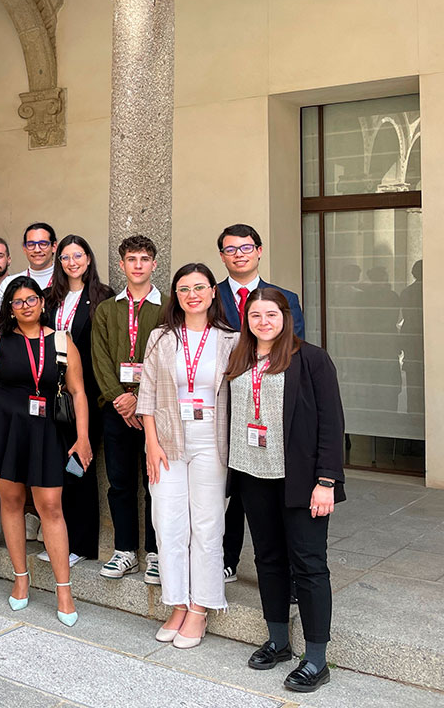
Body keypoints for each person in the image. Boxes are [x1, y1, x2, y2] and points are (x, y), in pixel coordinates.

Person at [224, 288, 345, 693]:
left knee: (309, 565)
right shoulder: (239, 358)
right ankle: (277, 640)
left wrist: (326, 481)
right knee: (268, 559)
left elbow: (331, 424)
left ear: (286, 316)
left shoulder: (310, 359)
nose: (263, 322)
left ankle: (315, 658)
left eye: (271, 314)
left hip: (301, 481)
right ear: (247, 319)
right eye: (255, 315)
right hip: (252, 475)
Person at [0, 276, 92, 626]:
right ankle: (21, 579)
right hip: (4, 430)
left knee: (51, 506)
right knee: (10, 502)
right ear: (10, 307)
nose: (25, 306)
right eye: (17, 301)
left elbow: (78, 392)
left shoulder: (61, 340)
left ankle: (63, 589)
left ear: (42, 302)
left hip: (47, 432)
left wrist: (82, 438)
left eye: (31, 299)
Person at [137, 263, 239, 649]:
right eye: (183, 288)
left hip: (211, 438)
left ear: (213, 292)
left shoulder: (231, 338)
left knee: (208, 523)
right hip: (167, 436)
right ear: (175, 296)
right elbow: (147, 391)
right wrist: (150, 441)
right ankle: (177, 601)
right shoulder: (162, 337)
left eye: (199, 287)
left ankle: (201, 605)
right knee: (167, 521)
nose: (192, 294)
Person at [215, 223, 305, 582]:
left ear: (259, 250)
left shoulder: (284, 298)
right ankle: (227, 557)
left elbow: (293, 349)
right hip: (227, 402)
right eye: (231, 249)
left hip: (271, 404)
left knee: (275, 487)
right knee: (235, 484)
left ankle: (289, 567)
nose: (239, 254)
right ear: (222, 255)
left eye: (246, 247)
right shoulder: (210, 295)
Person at [91, 235, 163, 584]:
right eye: (131, 259)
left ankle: (155, 553)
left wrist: (140, 398)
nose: (138, 265)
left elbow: (166, 360)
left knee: (155, 481)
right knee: (119, 482)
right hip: (115, 409)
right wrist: (120, 398)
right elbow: (100, 358)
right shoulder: (107, 309)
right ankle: (124, 551)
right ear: (121, 265)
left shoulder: (167, 309)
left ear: (153, 264)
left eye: (144, 259)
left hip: (154, 411)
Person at [42, 235, 113, 566]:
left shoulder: (102, 297)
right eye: (66, 257)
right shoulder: (49, 298)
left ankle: (81, 544)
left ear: (88, 259)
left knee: (79, 464)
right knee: (54, 465)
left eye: (78, 256)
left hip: (86, 391)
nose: (72, 262)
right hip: (50, 392)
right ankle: (58, 538)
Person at [0, 222, 57, 318]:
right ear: (24, 248)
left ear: (54, 246)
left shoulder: (66, 281)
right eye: (31, 244)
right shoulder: (9, 283)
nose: (37, 250)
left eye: (43, 244)